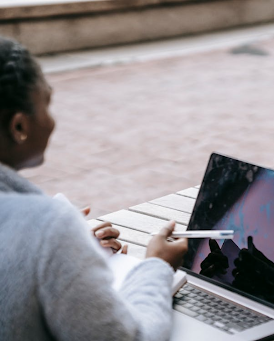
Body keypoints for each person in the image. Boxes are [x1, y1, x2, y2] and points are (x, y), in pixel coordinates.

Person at [0, 36, 188, 340]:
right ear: (19, 126)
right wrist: (156, 266)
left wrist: (70, 259)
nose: (52, 121)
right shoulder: (48, 226)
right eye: (46, 103)